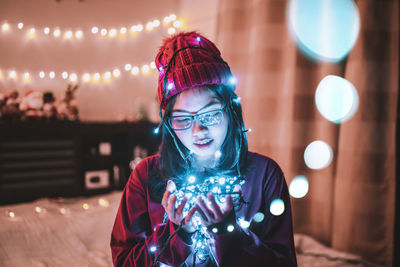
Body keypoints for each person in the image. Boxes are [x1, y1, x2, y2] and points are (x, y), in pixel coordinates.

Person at [110, 31, 297, 267]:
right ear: (168, 123)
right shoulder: (145, 175)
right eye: (182, 118)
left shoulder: (264, 175)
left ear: (231, 111)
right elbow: (124, 262)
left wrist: (228, 232)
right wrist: (178, 234)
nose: (198, 130)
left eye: (210, 114)